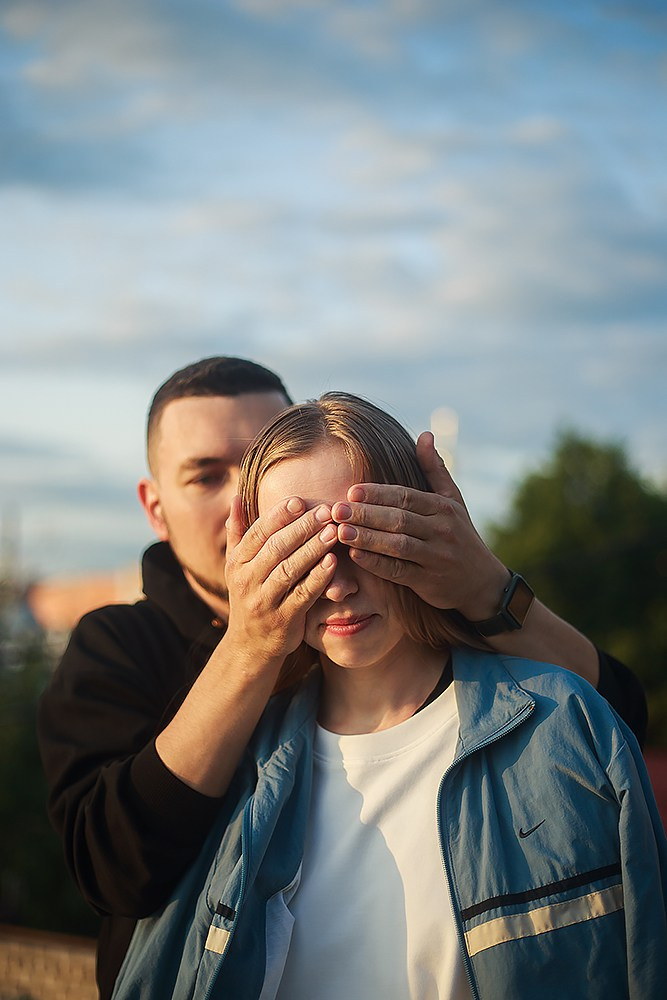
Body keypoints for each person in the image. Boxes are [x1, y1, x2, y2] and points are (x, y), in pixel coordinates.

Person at [37, 357, 647, 999]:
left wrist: (485, 588)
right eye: (205, 476)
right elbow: (115, 868)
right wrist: (249, 647)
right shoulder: (123, 647)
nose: (238, 504)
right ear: (155, 507)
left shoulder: (483, 676)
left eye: (255, 464)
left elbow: (611, 730)